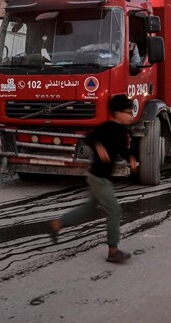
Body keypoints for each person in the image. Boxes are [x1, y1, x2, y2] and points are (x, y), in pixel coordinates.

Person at [47, 95, 138, 263]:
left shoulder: (122, 131)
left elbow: (122, 150)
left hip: (100, 177)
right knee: (114, 211)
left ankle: (57, 224)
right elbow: (89, 137)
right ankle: (113, 251)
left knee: (89, 209)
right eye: (127, 112)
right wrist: (99, 146)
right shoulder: (107, 127)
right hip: (99, 178)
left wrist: (131, 158)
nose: (131, 115)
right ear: (117, 113)